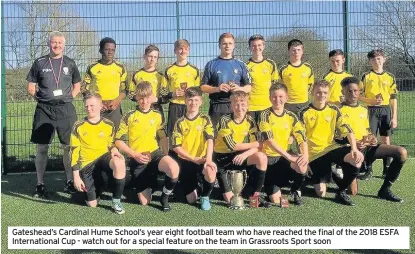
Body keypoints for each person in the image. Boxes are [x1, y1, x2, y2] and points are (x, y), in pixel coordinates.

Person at [26, 31, 81, 198]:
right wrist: (42, 99)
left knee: (68, 147)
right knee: (42, 147)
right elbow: (30, 86)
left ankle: (69, 182)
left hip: (66, 110)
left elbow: (77, 84)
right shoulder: (39, 62)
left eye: (59, 43)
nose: (56, 45)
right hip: (44, 110)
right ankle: (40, 184)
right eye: (53, 42)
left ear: (64, 44)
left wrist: (69, 97)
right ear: (49, 44)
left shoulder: (70, 63)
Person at [339, 76, 406, 202]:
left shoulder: (364, 109)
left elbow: (367, 131)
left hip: (367, 147)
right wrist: (353, 144)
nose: (353, 94)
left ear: (359, 91)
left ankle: (385, 190)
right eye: (349, 91)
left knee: (401, 152)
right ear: (343, 92)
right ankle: (337, 171)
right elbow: (334, 137)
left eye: (355, 90)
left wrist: (371, 138)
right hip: (349, 150)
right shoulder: (337, 110)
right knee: (352, 192)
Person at [115, 81, 180, 212]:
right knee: (145, 202)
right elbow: (117, 140)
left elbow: (163, 137)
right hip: (137, 157)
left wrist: (166, 156)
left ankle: (164, 197)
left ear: (152, 97)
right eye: (141, 98)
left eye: (147, 98)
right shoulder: (129, 115)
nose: (144, 101)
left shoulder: (157, 115)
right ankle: (147, 183)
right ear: (137, 98)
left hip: (155, 154)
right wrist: (134, 154)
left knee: (173, 167)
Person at [299, 80, 364, 206]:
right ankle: (327, 173)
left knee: (356, 159)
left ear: (328, 94)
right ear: (313, 92)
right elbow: (301, 139)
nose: (321, 95)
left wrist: (354, 149)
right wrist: (305, 157)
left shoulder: (334, 110)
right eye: (318, 92)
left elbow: (347, 129)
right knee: (321, 193)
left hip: (331, 148)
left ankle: (341, 192)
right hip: (315, 154)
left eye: (324, 92)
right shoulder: (304, 112)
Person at [70, 93, 126, 214]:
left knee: (119, 162)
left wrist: (115, 151)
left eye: (92, 105)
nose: (89, 109)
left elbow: (111, 144)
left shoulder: (109, 124)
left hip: (103, 160)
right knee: (92, 204)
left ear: (101, 106)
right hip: (87, 165)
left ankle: (116, 200)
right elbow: (74, 152)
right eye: (86, 106)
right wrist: (76, 176)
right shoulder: (78, 126)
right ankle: (95, 189)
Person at [213, 91, 271, 208]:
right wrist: (255, 144)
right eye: (236, 104)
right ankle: (220, 186)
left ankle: (255, 194)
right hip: (223, 159)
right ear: (231, 106)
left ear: (248, 105)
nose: (240, 108)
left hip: (240, 156)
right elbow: (232, 146)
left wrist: (245, 154)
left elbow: (259, 146)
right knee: (230, 199)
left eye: (243, 104)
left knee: (262, 157)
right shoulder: (224, 120)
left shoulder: (250, 120)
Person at [258, 82, 308, 206]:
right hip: (269, 159)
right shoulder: (264, 115)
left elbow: (301, 137)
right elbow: (269, 140)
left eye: (280, 96)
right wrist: (289, 156)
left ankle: (295, 190)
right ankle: (267, 187)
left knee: (302, 165)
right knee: (276, 200)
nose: (277, 100)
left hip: (284, 157)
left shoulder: (291, 116)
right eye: (274, 97)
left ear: (286, 98)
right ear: (270, 98)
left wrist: (305, 155)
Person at [172, 87, 217, 210]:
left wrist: (208, 160)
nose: (193, 103)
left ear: (201, 102)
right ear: (185, 101)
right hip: (187, 161)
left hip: (202, 160)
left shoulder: (205, 119)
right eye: (190, 100)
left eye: (196, 100)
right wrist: (192, 158)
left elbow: (210, 140)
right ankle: (194, 186)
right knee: (191, 200)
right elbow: (176, 147)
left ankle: (205, 196)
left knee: (211, 170)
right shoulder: (180, 122)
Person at [358, 49, 398, 180]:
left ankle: (386, 170)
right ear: (370, 61)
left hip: (386, 110)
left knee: (386, 140)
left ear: (384, 59)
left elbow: (393, 98)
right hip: (371, 110)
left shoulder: (390, 77)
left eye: (379, 58)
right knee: (370, 140)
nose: (377, 61)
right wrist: (371, 101)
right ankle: (368, 169)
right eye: (373, 59)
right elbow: (358, 95)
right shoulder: (366, 76)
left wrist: (394, 116)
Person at [201, 32, 252, 126]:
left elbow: (249, 87)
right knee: (215, 136)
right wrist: (217, 89)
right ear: (219, 46)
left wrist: (239, 89)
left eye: (230, 43)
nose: (227, 46)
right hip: (217, 106)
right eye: (224, 43)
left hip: (237, 105)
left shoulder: (241, 64)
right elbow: (203, 87)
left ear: (234, 46)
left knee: (236, 136)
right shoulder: (211, 64)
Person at [81, 37, 127, 129]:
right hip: (98, 107)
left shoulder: (120, 67)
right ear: (100, 50)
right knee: (97, 135)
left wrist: (117, 101)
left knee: (115, 137)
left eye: (113, 50)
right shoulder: (92, 67)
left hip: (114, 107)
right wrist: (97, 102)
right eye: (107, 49)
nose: (110, 52)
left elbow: (125, 89)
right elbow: (83, 88)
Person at [164, 39, 200, 138]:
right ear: (175, 51)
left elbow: (199, 90)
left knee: (190, 134)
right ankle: (173, 154)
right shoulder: (169, 70)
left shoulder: (194, 70)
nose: (183, 51)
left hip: (190, 106)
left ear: (188, 50)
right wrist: (173, 94)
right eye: (180, 49)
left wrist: (191, 92)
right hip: (175, 106)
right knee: (173, 134)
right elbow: (163, 91)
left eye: (185, 49)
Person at [128, 44, 168, 120]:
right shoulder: (137, 75)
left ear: (157, 59)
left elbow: (166, 97)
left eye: (155, 57)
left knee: (159, 131)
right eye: (150, 56)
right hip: (141, 109)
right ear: (144, 56)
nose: (152, 59)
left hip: (156, 109)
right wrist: (141, 99)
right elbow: (130, 94)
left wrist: (157, 100)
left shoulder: (161, 76)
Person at [245, 34, 280, 122]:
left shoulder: (271, 64)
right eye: (254, 45)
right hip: (251, 107)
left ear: (263, 46)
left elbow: (275, 86)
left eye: (259, 45)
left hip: (267, 106)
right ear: (250, 47)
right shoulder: (245, 66)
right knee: (252, 135)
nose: (257, 47)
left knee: (267, 134)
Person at [279, 39, 314, 115]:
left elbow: (310, 84)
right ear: (289, 51)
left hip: (304, 103)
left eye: (299, 50)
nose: (296, 52)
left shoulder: (308, 68)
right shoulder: (283, 69)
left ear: (302, 51)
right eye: (293, 50)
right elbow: (280, 86)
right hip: (288, 104)